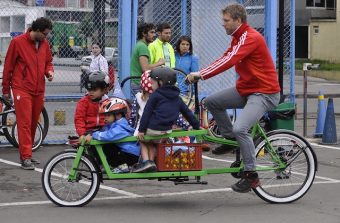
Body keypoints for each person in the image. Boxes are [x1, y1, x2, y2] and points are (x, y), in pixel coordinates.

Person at [186, 4, 280, 193]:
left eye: (226, 21)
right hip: (247, 89)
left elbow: (230, 61)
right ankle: (230, 139)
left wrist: (201, 74)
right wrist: (202, 73)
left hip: (264, 92)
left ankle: (251, 176)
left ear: (238, 20)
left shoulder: (250, 37)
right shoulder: (238, 37)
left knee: (241, 128)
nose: (224, 25)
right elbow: (225, 57)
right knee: (212, 102)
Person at [2, 17, 54, 170]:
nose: (46, 37)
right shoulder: (18, 42)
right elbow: (8, 67)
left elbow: (48, 62)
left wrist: (49, 72)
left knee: (32, 122)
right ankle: (25, 157)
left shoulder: (44, 44)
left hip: (38, 89)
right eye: (44, 34)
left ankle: (28, 154)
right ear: (36, 31)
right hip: (22, 88)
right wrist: (6, 90)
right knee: (24, 123)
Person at [133, 67, 200, 173]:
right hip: (166, 131)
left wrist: (141, 130)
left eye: (153, 82)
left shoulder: (155, 96)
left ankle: (146, 162)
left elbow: (147, 113)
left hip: (152, 128)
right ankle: (151, 163)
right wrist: (196, 126)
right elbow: (187, 112)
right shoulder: (177, 98)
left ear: (160, 82)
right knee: (153, 142)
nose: (151, 84)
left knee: (143, 141)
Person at [84, 98, 140, 172]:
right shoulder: (113, 125)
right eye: (105, 115)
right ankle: (118, 166)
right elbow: (104, 131)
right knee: (105, 144)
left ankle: (123, 167)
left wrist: (94, 135)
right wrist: (91, 133)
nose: (105, 117)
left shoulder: (121, 126)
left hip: (130, 156)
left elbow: (109, 135)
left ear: (118, 115)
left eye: (108, 115)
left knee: (107, 145)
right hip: (125, 154)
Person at [130, 22, 165, 95]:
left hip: (138, 83)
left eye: (154, 32)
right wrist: (159, 63)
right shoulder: (142, 47)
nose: (154, 35)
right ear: (144, 33)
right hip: (140, 84)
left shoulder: (140, 45)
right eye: (151, 32)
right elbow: (145, 68)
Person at [74, 71, 109, 140]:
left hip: (103, 131)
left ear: (104, 90)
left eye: (94, 90)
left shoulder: (107, 102)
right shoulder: (83, 102)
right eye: (89, 89)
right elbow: (79, 119)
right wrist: (82, 134)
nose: (91, 92)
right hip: (87, 132)